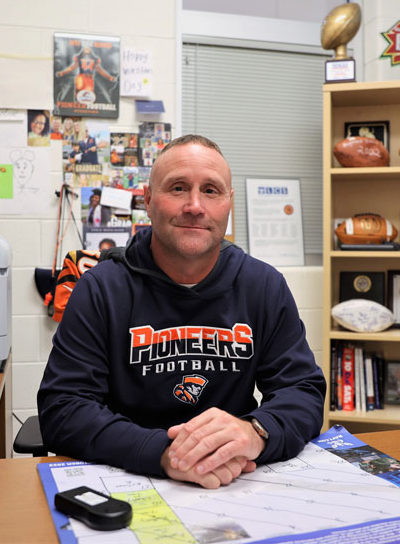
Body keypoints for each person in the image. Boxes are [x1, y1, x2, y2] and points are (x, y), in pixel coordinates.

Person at [38, 134, 326, 489]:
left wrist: (255, 431)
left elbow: (303, 390)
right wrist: (163, 453)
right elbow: (63, 408)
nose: (194, 205)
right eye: (177, 188)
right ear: (147, 200)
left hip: (233, 479)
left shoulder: (263, 285)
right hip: (128, 474)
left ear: (228, 203)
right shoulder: (100, 288)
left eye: (211, 190)